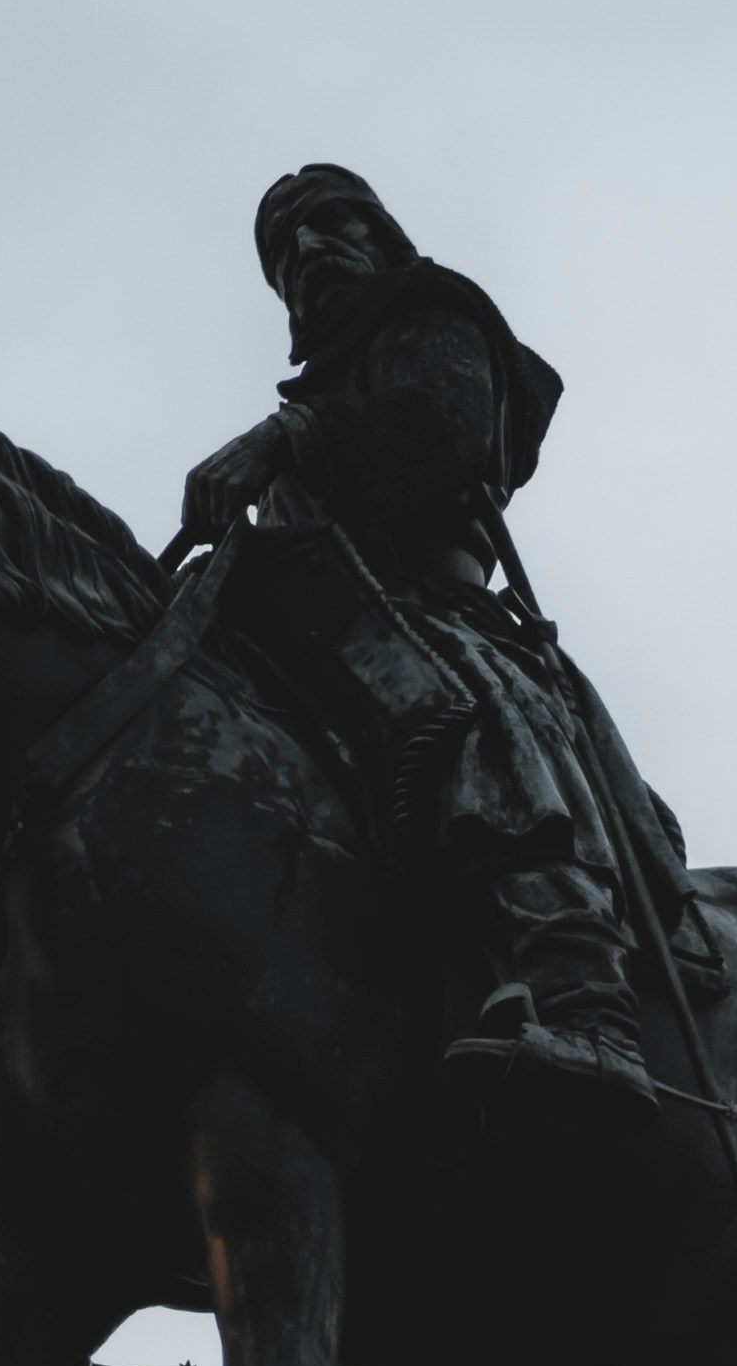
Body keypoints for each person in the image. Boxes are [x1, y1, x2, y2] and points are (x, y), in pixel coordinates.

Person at [180, 165, 665, 1111]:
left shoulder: (435, 313)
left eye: (329, 223)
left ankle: (585, 995)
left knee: (460, 711)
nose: (306, 252)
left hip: (432, 616)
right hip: (320, 630)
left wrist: (286, 439)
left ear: (380, 233)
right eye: (283, 253)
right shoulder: (314, 400)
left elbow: (439, 432)